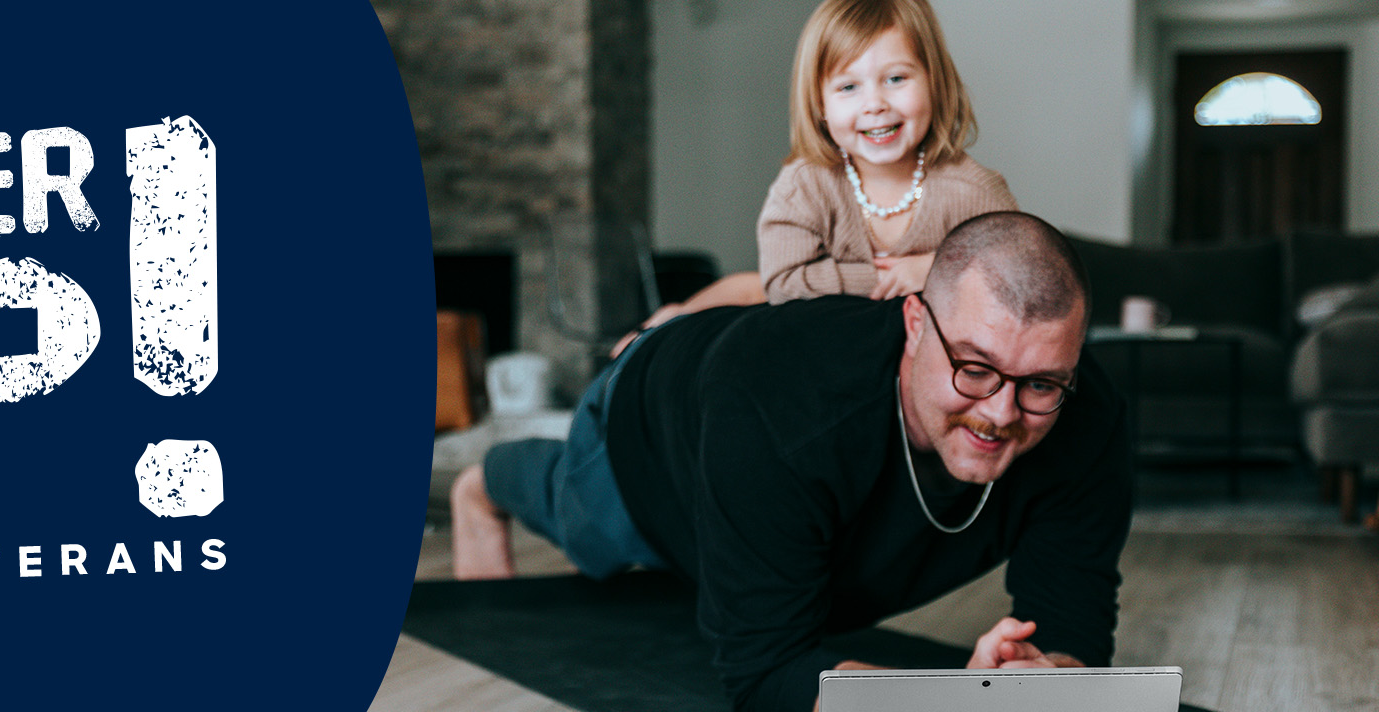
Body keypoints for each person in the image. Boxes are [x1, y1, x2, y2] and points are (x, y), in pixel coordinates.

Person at [452, 212, 1132, 712]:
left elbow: (1072, 629)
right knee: (587, 530)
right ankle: (489, 481)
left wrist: (1039, 679)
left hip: (759, 440)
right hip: (650, 423)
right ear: (916, 325)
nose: (1003, 413)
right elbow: (763, 675)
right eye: (975, 369)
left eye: (1040, 383)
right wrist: (959, 701)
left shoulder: (1084, 411)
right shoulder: (780, 408)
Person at [611, 0, 1015, 357]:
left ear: (935, 83)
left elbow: (1016, 274)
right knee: (748, 299)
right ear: (819, 105)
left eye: (896, 78)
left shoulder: (973, 190)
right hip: (820, 336)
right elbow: (781, 284)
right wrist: (891, 277)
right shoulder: (806, 182)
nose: (874, 104)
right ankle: (674, 317)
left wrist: (933, 269)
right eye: (848, 86)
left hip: (919, 359)